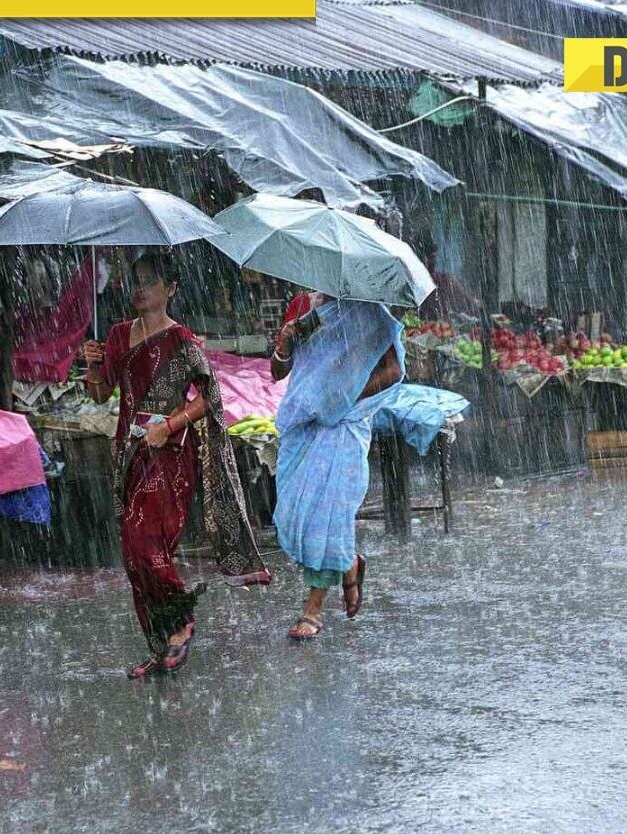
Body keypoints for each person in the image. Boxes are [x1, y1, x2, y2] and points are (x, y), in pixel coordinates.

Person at [82, 250, 271, 677]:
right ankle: (159, 644)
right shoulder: (115, 337)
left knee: (146, 542)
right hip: (128, 454)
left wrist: (169, 425)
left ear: (171, 289)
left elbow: (211, 398)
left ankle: (181, 622)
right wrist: (92, 366)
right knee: (133, 555)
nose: (140, 288)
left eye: (150, 281)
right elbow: (99, 394)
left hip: (168, 455)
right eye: (136, 280)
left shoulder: (182, 341)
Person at [270, 293, 405, 639]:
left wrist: (346, 397)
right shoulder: (303, 307)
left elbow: (394, 369)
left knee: (327, 514)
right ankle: (348, 564)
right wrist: (285, 342)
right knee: (293, 512)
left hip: (345, 425)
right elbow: (278, 372)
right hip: (304, 424)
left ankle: (313, 608)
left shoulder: (371, 311)